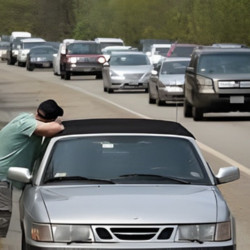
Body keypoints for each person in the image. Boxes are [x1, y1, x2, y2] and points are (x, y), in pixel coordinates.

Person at [0, 99, 64, 237]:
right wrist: (57, 124)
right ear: (51, 119)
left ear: (37, 111)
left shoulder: (27, 120)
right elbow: (55, 129)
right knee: (2, 217)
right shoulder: (26, 123)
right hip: (1, 178)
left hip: (6, 177)